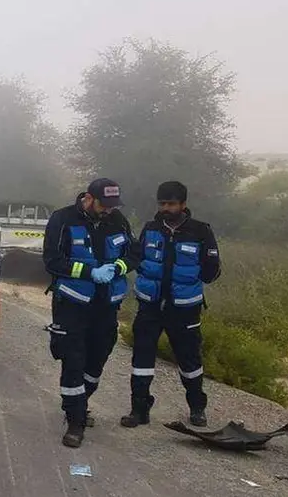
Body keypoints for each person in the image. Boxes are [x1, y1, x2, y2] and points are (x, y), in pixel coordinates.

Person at [42, 178, 139, 448]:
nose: (108, 210)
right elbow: (52, 260)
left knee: (98, 358)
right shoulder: (62, 219)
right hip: (71, 304)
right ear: (89, 198)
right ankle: (75, 421)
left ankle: (80, 402)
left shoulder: (117, 220)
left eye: (112, 206)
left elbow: (135, 253)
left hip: (106, 305)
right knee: (73, 359)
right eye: (104, 205)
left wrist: (118, 267)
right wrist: (89, 272)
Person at [121, 181, 221, 428]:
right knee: (142, 359)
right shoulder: (150, 228)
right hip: (150, 306)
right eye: (162, 203)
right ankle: (139, 409)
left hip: (184, 308)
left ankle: (197, 408)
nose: (166, 208)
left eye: (171, 203)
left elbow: (212, 270)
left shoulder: (201, 231)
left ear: (183, 205)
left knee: (189, 360)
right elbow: (137, 256)